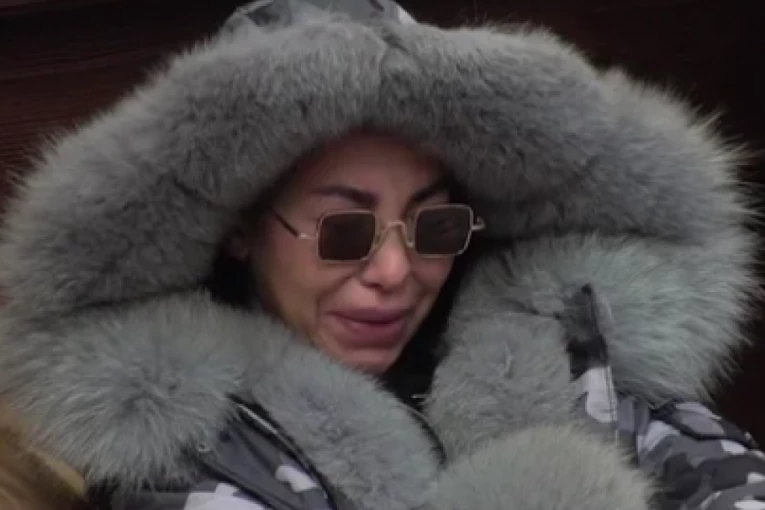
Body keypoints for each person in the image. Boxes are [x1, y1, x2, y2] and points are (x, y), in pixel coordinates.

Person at [0, 0, 763, 509]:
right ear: (240, 227)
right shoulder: (181, 454)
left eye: (433, 226)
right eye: (344, 231)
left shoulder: (567, 346)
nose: (395, 273)